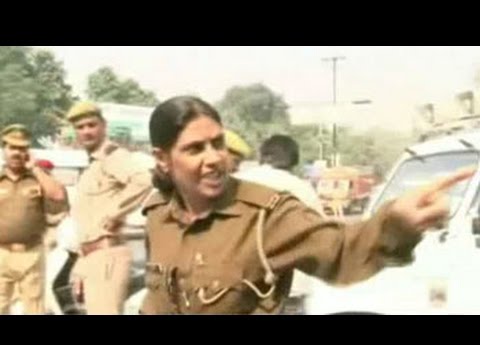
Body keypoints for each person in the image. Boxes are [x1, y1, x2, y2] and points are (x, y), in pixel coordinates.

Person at [141, 96, 474, 315]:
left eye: (217, 144)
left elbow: (342, 250)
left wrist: (396, 223)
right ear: (163, 159)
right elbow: (157, 300)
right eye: (195, 149)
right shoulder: (158, 216)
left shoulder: (264, 216)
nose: (214, 159)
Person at [66, 101, 153, 315]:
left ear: (103, 126)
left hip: (107, 254)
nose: (86, 131)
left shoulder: (112, 156)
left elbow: (143, 180)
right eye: (80, 127)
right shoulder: (92, 165)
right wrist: (81, 259)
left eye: (91, 125)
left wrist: (114, 212)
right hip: (90, 255)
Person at [235, 134, 326, 313]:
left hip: (241, 286)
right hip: (291, 288)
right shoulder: (303, 190)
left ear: (263, 156)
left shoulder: (237, 183)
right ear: (294, 161)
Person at [0, 125, 68, 315]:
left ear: (28, 151)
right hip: (1, 253)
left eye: (22, 148)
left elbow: (58, 196)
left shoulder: (38, 177)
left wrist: (35, 169)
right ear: (4, 149)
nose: (16, 153)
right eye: (12, 147)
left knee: (34, 307)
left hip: (31, 253)